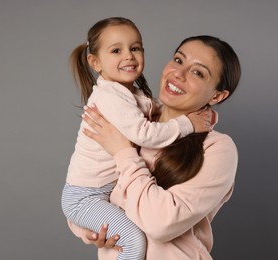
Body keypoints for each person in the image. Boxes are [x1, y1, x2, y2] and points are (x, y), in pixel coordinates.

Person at [68, 35, 241, 260]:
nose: (178, 73)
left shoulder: (218, 148)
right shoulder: (131, 120)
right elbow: (89, 192)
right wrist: (92, 231)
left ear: (218, 95)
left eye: (198, 72)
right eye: (178, 60)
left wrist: (123, 152)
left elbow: (160, 223)